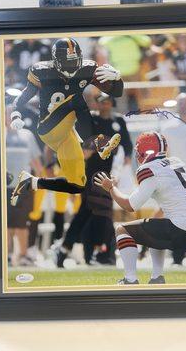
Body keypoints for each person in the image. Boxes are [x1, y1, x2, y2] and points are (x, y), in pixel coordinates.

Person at [9, 37, 124, 206]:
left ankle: (31, 182)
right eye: (67, 62)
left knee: (77, 185)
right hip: (49, 126)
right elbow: (24, 96)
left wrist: (116, 79)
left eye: (74, 61)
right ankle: (97, 142)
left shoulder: (87, 68)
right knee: (76, 97)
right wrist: (15, 114)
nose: (72, 66)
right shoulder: (42, 71)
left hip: (67, 133)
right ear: (56, 61)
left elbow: (117, 93)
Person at [94, 131, 186, 285]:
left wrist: (111, 188)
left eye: (139, 151)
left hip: (182, 230)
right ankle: (157, 277)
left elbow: (130, 205)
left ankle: (130, 279)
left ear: (145, 151)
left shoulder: (149, 169)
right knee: (154, 228)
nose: (137, 155)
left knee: (121, 229)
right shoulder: (177, 163)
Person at [56, 94, 133, 267]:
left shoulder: (118, 121)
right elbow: (82, 145)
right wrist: (88, 150)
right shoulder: (90, 120)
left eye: (107, 101)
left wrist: (120, 170)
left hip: (107, 176)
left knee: (96, 214)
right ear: (96, 104)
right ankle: (86, 252)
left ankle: (84, 252)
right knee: (90, 212)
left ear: (111, 103)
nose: (104, 105)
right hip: (90, 174)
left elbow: (127, 147)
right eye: (101, 102)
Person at [5, 106, 43, 266]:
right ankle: (5, 256)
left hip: (24, 186)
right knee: (5, 224)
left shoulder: (27, 135)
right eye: (7, 114)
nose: (11, 117)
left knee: (22, 223)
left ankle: (23, 256)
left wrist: (40, 182)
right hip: (2, 189)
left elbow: (36, 164)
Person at [162, 93, 186, 184]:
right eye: (181, 103)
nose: (184, 106)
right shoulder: (167, 128)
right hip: (179, 172)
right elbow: (165, 152)